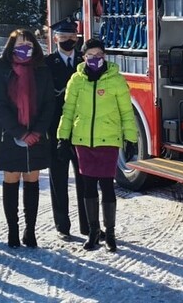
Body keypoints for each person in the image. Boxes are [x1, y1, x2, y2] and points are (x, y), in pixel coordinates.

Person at [57, 38, 137, 252]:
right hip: (83, 141)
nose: (95, 59)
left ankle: (110, 234)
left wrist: (131, 138)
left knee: (108, 186)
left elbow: (126, 112)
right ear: (83, 57)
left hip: (108, 140)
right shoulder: (76, 80)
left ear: (105, 57)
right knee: (88, 186)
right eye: (90, 55)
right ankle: (93, 232)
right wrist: (63, 137)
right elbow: (68, 110)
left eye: (99, 55)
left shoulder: (116, 79)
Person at [0, 29, 55, 248]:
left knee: (32, 181)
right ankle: (13, 231)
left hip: (36, 136)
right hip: (11, 135)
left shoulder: (42, 70)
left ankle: (30, 230)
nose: (24, 48)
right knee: (11, 180)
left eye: (28, 44)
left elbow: (49, 104)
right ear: (11, 46)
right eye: (19, 44)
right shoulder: (3, 69)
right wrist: (20, 132)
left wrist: (36, 131)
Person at [45, 17, 87, 241]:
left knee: (85, 178)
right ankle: (62, 226)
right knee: (58, 179)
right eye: (64, 36)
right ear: (55, 38)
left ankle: (87, 225)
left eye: (73, 36)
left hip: (82, 129)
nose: (69, 40)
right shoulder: (46, 63)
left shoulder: (84, 62)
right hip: (56, 129)